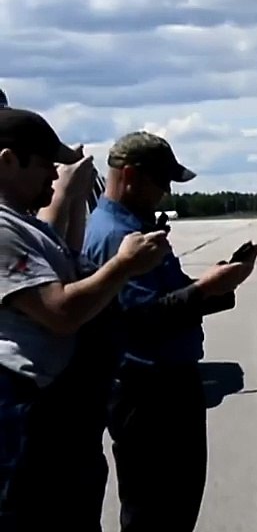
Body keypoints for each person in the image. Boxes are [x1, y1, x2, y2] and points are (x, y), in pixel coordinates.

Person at [81, 131, 257, 532]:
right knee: (157, 510)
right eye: (161, 183)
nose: (164, 194)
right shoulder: (119, 237)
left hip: (162, 384)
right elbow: (141, 319)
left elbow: (163, 297)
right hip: (148, 392)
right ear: (130, 176)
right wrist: (205, 289)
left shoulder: (132, 226)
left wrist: (217, 288)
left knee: (173, 507)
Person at [0, 108, 169, 529]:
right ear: (6, 161)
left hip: (49, 407)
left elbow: (61, 250)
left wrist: (70, 197)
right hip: (23, 405)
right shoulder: (2, 228)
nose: (52, 175)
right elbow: (60, 312)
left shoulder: (19, 222)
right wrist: (123, 266)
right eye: (43, 164)